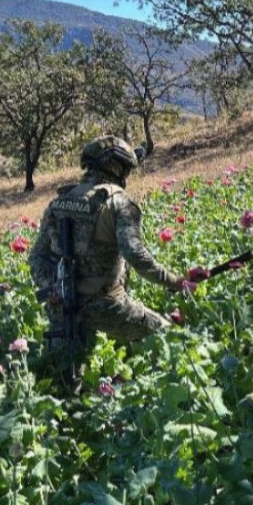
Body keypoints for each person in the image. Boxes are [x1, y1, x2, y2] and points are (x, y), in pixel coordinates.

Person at [29, 135, 186, 394]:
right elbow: (135, 255)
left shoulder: (59, 202)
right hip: (105, 303)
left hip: (62, 307)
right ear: (116, 167)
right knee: (167, 337)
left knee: (64, 383)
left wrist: (54, 291)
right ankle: (158, 399)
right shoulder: (118, 203)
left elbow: (37, 257)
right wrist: (173, 281)